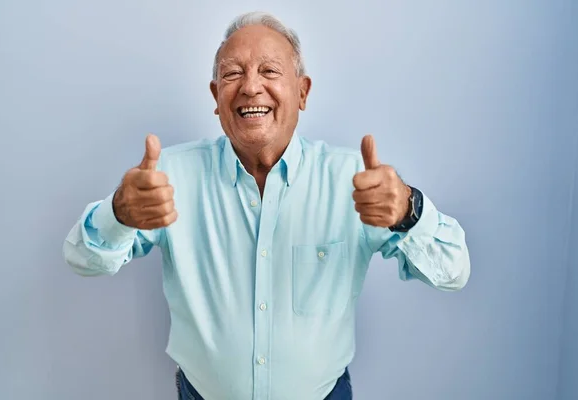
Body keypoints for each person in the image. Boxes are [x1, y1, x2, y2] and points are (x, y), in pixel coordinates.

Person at [63, 11, 470, 400]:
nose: (250, 87)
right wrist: (119, 212)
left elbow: (454, 271)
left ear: (303, 91)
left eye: (270, 71)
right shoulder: (168, 177)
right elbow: (81, 258)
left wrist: (408, 211)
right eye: (232, 73)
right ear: (216, 97)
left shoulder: (355, 180)